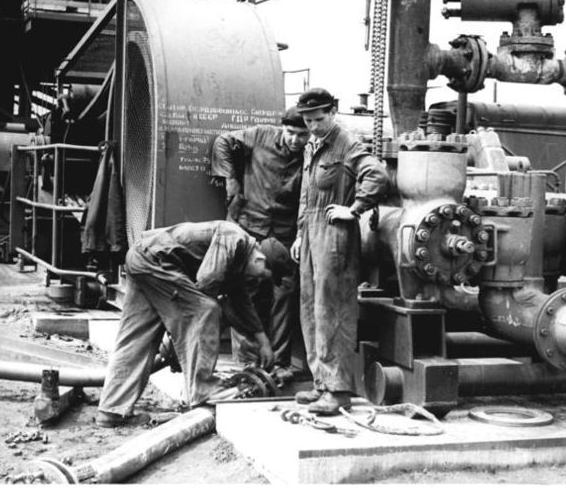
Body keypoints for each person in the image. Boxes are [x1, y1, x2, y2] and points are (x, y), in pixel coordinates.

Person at [96, 220, 289, 427]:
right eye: (263, 276)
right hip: (155, 261)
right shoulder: (235, 239)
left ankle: (111, 410)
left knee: (136, 337)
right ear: (260, 259)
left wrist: (262, 341)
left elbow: (240, 302)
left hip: (141, 257)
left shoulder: (240, 260)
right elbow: (206, 282)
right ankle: (202, 389)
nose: (258, 280)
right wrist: (185, 338)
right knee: (206, 309)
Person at [290, 88, 389, 415]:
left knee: (331, 311)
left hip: (334, 237)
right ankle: (321, 383)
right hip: (310, 235)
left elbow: (376, 174)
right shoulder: (312, 146)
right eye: (308, 120)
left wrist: (355, 209)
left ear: (333, 112)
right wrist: (299, 234)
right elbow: (306, 195)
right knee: (309, 309)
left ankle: (339, 390)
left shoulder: (346, 143)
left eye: (319, 118)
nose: (314, 125)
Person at [211, 107, 310, 377]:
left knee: (286, 292)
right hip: (250, 228)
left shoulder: (311, 153)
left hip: (284, 235)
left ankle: (278, 363)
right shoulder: (260, 136)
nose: (295, 140)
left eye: (302, 135)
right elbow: (223, 142)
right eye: (290, 133)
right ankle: (248, 361)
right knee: (246, 289)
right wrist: (231, 180)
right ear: (282, 128)